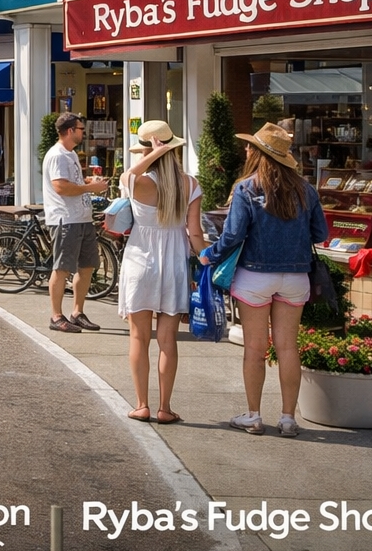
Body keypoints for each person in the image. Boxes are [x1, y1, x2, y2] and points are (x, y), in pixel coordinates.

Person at [199, 123, 327, 438]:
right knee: (288, 348)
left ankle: (254, 416)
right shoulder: (305, 189)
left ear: (258, 153)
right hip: (295, 277)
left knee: (254, 349)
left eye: (250, 146)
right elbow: (320, 234)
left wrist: (209, 254)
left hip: (254, 276)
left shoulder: (246, 188)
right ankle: (288, 418)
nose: (246, 150)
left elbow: (232, 236)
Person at [116, 121, 206, 425]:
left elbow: (128, 176)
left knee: (139, 337)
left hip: (140, 262)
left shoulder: (139, 182)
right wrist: (206, 260)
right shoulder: (190, 185)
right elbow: (195, 234)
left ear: (146, 152)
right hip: (174, 264)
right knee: (168, 340)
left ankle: (142, 405)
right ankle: (165, 408)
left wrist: (154, 153)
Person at [44, 112, 109, 333]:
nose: (84, 132)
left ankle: (77, 312)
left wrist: (87, 181)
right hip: (65, 218)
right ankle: (56, 316)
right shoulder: (58, 155)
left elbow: (71, 182)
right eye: (81, 129)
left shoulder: (70, 154)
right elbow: (60, 187)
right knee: (62, 268)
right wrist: (91, 188)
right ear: (70, 131)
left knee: (87, 265)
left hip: (81, 217)